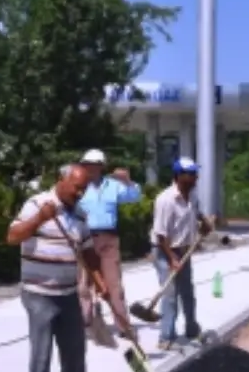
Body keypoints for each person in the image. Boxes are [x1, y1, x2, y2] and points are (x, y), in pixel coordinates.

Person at [8, 164, 107, 372]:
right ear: (60, 181)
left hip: (68, 291)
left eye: (84, 189)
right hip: (38, 292)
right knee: (42, 353)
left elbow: (88, 252)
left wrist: (100, 282)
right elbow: (12, 236)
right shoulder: (36, 203)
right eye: (77, 187)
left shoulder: (80, 215)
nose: (80, 193)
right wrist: (39, 218)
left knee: (75, 349)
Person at [74, 149, 142, 336]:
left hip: (108, 239)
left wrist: (127, 181)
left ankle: (123, 325)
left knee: (114, 284)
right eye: (88, 165)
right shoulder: (78, 185)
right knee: (84, 284)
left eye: (95, 165)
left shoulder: (113, 186)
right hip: (84, 238)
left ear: (101, 167)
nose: (91, 169)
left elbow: (135, 196)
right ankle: (84, 324)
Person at [150, 157, 212, 350]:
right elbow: (161, 235)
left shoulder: (192, 195)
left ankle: (192, 329)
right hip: (164, 250)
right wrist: (171, 258)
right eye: (191, 174)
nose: (196, 177)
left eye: (195, 173)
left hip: (185, 249)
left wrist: (205, 222)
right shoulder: (165, 200)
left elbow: (196, 212)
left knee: (188, 292)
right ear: (179, 176)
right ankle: (166, 338)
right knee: (170, 294)